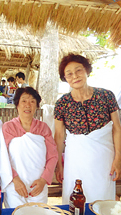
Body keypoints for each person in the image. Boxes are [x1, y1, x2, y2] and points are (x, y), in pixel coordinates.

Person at [54, 53, 121, 204]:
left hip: (104, 159)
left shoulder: (106, 96)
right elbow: (59, 136)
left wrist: (118, 159)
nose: (75, 76)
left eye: (78, 70)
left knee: (103, 197)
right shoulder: (62, 103)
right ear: (65, 79)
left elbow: (117, 128)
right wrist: (59, 165)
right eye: (69, 74)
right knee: (75, 196)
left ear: (87, 71)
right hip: (75, 160)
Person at [2, 87, 58, 207]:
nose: (28, 105)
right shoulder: (8, 128)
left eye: (32, 101)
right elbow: (1, 157)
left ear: (37, 106)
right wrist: (15, 180)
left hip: (38, 185)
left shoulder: (43, 128)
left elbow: (53, 156)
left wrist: (43, 180)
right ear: (17, 104)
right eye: (24, 101)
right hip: (14, 185)